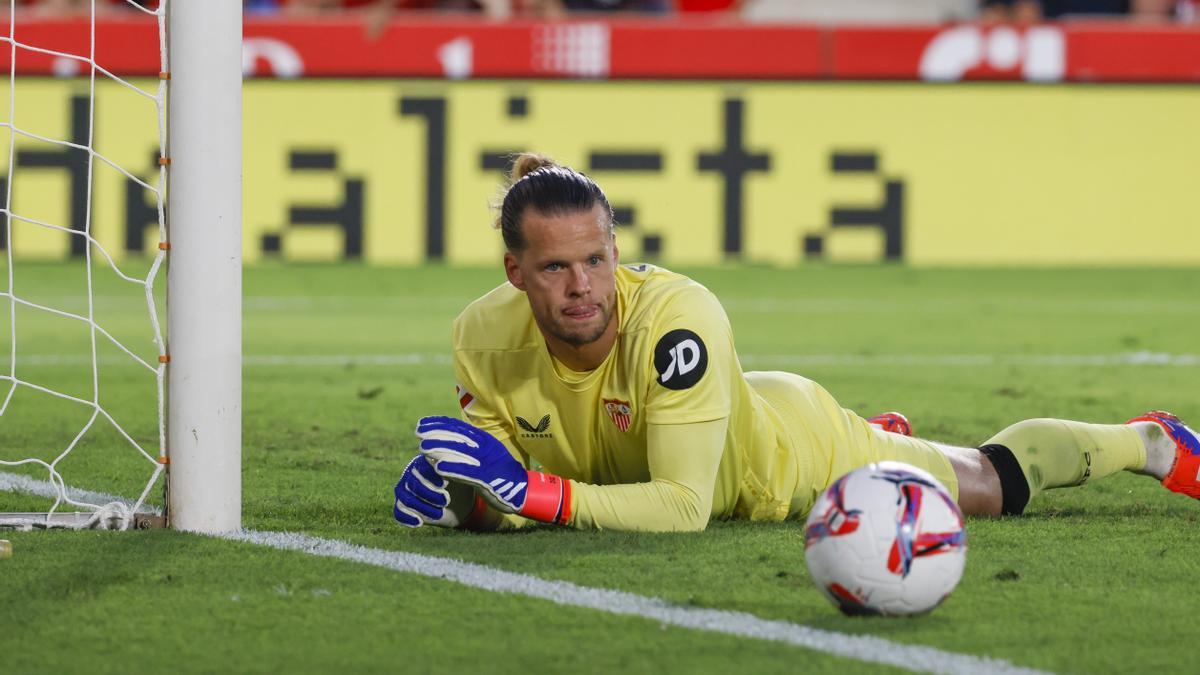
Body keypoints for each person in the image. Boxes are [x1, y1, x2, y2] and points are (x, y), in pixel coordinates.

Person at [393, 153, 1199, 532]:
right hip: (721, 422)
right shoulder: (480, 336)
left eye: (597, 259)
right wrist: (458, 494)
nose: (583, 286)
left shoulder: (678, 319)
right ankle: (882, 437)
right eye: (557, 267)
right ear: (515, 270)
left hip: (788, 452)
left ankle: (1150, 443)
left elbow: (683, 506)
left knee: (985, 484)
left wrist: (530, 493)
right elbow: (503, 500)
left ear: (616, 250)